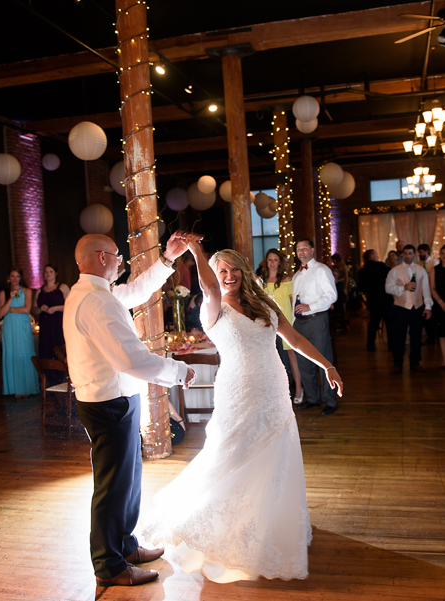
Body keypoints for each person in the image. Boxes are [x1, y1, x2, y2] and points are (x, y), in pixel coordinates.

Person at [142, 242, 343, 583]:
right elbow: (207, 284)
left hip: (274, 389)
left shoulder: (263, 302)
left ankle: (267, 524)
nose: (229, 276)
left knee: (275, 458)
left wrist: (327, 365)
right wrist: (196, 251)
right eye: (223, 271)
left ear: (243, 271)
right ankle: (215, 527)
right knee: (229, 456)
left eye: (234, 269)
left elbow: (292, 338)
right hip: (238, 391)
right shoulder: (213, 306)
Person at [64, 231, 196, 591]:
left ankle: (125, 545)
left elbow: (137, 292)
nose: (121, 262)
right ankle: (108, 565)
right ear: (102, 258)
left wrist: (167, 260)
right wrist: (179, 371)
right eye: (118, 256)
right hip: (109, 402)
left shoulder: (91, 293)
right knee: (113, 486)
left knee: (128, 479)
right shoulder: (96, 300)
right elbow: (130, 359)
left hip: (111, 398)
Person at [292, 238, 339, 415]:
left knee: (323, 360)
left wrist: (310, 307)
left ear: (312, 250)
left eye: (304, 248)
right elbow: (295, 302)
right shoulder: (297, 275)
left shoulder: (321, 269)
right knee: (304, 362)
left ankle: (330, 401)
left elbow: (331, 296)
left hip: (317, 319)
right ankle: (313, 398)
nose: (301, 251)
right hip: (300, 323)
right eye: (298, 249)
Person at [256, 249, 304, 404]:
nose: (272, 263)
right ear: (266, 262)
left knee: (291, 356)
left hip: (285, 322)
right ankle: (275, 393)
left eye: (275, 259)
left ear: (280, 262)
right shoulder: (260, 281)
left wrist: (293, 323)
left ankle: (298, 389)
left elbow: (292, 302)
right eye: (269, 259)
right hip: (268, 324)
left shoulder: (286, 280)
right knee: (270, 358)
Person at [385, 244, 432, 375]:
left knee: (416, 337)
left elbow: (426, 290)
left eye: (410, 253)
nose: (407, 256)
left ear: (414, 254)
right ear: (402, 255)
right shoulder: (394, 271)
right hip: (401, 308)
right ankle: (397, 363)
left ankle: (415, 362)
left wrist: (428, 307)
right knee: (398, 337)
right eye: (405, 253)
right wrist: (403, 288)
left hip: (417, 307)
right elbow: (388, 288)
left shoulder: (421, 270)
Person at [0, 267, 39, 398]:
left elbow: (26, 309)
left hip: (23, 325)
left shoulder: (27, 291)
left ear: (21, 278)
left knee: (25, 353)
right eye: (12, 276)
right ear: (8, 278)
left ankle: (26, 388)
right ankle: (15, 389)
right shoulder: (3, 293)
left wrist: (10, 309)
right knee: (12, 353)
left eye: (17, 276)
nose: (15, 279)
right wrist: (9, 300)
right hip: (9, 326)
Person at [33, 264, 70, 383]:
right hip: (45, 325)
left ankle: (62, 379)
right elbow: (34, 309)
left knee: (59, 348)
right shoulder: (40, 290)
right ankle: (49, 380)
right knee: (46, 350)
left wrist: (55, 308)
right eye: (46, 272)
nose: (48, 274)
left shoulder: (62, 287)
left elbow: (71, 305)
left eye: (51, 271)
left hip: (58, 324)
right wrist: (41, 308)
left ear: (56, 273)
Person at [357, 249, 393, 351]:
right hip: (385, 299)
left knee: (373, 323)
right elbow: (390, 277)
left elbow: (361, 287)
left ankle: (370, 345)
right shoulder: (381, 266)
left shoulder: (363, 270)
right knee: (389, 324)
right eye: (376, 254)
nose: (377, 256)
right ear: (372, 256)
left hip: (373, 300)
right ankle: (391, 345)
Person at [330, 253, 350, 333]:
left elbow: (346, 277)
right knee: (337, 305)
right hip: (337, 286)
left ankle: (343, 324)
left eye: (333, 260)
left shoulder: (343, 266)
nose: (333, 262)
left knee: (340, 305)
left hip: (341, 286)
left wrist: (345, 288)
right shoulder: (335, 267)